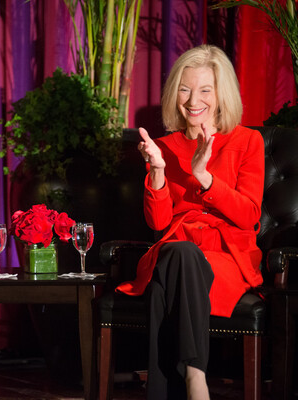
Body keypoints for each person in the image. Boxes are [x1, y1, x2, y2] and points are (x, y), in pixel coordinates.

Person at [116, 45, 264, 399]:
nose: (193, 100)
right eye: (185, 89)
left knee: (161, 289)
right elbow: (158, 222)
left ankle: (173, 387)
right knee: (179, 254)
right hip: (175, 250)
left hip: (226, 257)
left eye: (205, 90)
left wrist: (204, 176)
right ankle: (196, 377)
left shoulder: (247, 141)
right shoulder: (163, 146)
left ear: (221, 93)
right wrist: (157, 170)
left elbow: (249, 216)